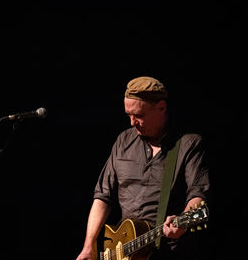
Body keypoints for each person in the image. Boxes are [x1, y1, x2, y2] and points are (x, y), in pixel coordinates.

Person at [76, 76, 210, 260]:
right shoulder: (123, 141)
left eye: (139, 116)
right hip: (124, 250)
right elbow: (103, 196)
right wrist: (88, 246)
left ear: (161, 107)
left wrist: (183, 222)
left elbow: (198, 194)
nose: (132, 122)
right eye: (128, 115)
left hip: (168, 251)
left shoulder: (188, 144)